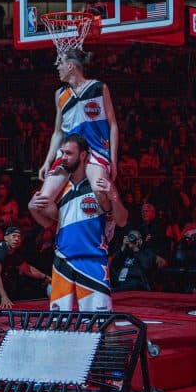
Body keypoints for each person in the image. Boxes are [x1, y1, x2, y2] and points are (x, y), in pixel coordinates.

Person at [29, 133, 127, 312]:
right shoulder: (57, 189)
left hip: (92, 260)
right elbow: (47, 224)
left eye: (68, 154)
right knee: (58, 323)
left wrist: (115, 196)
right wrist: (31, 208)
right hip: (62, 261)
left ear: (83, 155)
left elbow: (121, 220)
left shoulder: (98, 184)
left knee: (101, 322)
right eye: (62, 153)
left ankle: (138, 342)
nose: (63, 158)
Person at [36, 47, 119, 209]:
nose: (57, 67)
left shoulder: (99, 87)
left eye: (61, 63)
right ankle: (65, 224)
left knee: (99, 191)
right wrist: (47, 161)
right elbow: (58, 132)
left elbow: (113, 125)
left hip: (95, 150)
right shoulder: (60, 94)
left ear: (71, 66)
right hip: (68, 152)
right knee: (42, 202)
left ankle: (109, 217)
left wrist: (113, 160)